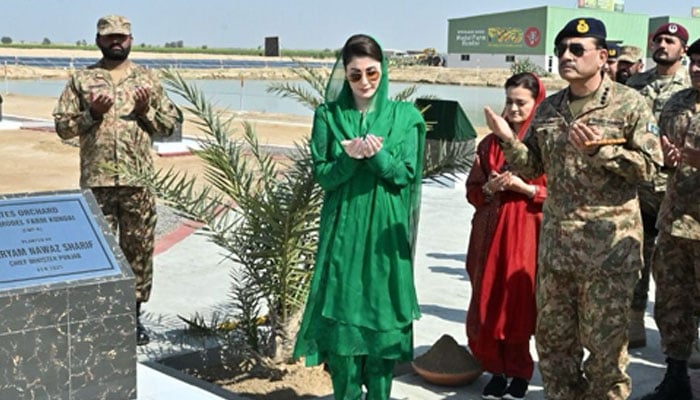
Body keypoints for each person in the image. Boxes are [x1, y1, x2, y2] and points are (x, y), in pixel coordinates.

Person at [483, 17, 662, 399]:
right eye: (562, 48)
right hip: (557, 252)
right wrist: (505, 138)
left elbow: (649, 167)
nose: (566, 55)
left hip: (608, 255)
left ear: (602, 56)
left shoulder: (630, 104)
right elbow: (532, 166)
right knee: (554, 351)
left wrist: (603, 151)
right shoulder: (549, 109)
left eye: (577, 49)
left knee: (605, 357)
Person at [293, 34, 426, 399]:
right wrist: (350, 158)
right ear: (344, 75)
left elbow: (405, 176)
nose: (365, 82)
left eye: (372, 72)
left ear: (384, 71)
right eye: (355, 75)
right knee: (342, 325)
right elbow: (324, 177)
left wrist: (378, 157)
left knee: (383, 322)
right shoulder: (329, 116)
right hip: (344, 233)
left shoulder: (405, 117)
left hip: (386, 234)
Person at [53, 15, 182, 346]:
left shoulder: (147, 80)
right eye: (109, 36)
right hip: (97, 182)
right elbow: (63, 127)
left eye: (121, 37)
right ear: (98, 40)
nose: (116, 41)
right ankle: (99, 319)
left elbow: (169, 125)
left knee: (137, 251)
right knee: (99, 253)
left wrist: (145, 112)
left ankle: (132, 318)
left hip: (137, 183)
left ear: (131, 39)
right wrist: (92, 115)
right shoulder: (82, 80)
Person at [465, 72, 546, 400]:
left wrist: (524, 188)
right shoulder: (488, 143)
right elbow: (472, 189)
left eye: (521, 103)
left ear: (536, 103)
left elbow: (560, 194)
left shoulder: (543, 143)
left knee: (518, 305)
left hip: (526, 232)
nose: (513, 109)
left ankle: (520, 371)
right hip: (489, 232)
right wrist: (488, 188)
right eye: (509, 101)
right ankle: (495, 370)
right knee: (487, 300)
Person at [637, 37, 700, 400]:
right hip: (675, 223)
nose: (696, 69)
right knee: (673, 306)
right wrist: (667, 158)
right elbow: (661, 153)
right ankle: (675, 380)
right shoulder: (676, 103)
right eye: (694, 62)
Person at [625, 22, 690, 349]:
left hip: (678, 191)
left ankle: (684, 334)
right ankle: (634, 322)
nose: (662, 45)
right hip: (639, 186)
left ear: (683, 50)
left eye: (670, 41)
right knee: (637, 255)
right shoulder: (635, 84)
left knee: (677, 265)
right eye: (659, 39)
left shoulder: (689, 88)